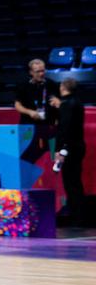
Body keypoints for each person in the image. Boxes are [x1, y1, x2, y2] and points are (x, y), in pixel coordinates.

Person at [54, 77, 86, 225]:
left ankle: (77, 216)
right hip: (78, 145)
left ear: (63, 87)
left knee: (70, 182)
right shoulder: (78, 103)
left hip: (69, 148)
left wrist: (60, 149)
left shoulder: (66, 105)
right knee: (76, 181)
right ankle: (79, 214)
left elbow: (64, 128)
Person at [14, 59, 61, 125]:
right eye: (38, 71)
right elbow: (17, 105)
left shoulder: (52, 84)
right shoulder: (23, 85)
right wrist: (29, 112)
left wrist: (58, 103)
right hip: (28, 124)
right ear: (31, 72)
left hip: (48, 123)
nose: (41, 74)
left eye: (42, 71)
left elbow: (60, 103)